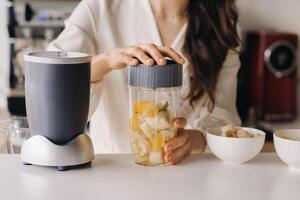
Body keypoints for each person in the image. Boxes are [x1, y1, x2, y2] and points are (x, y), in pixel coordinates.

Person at [48, 0, 241, 165]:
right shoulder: (100, 8)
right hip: (110, 173)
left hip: (186, 174)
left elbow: (223, 116)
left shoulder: (222, 25)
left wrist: (193, 140)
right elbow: (51, 76)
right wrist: (107, 61)